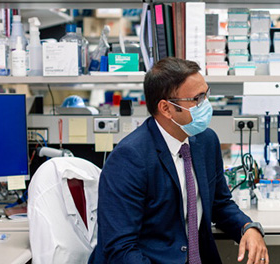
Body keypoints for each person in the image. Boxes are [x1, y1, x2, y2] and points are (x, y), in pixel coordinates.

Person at [90, 57, 268, 264]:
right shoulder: (129, 158)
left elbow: (220, 204)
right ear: (166, 108)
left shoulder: (206, 141)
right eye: (197, 99)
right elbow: (121, 248)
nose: (206, 105)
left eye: (206, 94)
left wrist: (248, 227)